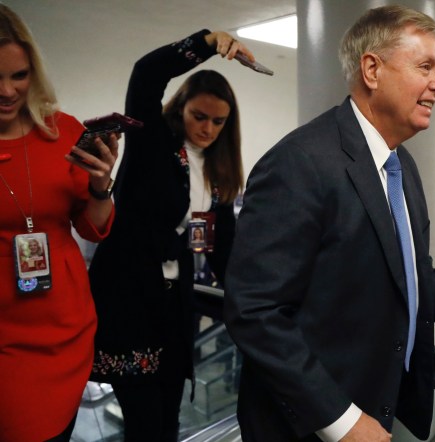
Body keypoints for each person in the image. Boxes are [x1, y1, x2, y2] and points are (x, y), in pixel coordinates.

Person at [223, 5, 435, 442]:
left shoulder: (402, 166)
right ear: (372, 70)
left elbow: (414, 272)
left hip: (381, 407)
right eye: (425, 67)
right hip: (309, 424)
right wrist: (342, 421)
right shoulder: (299, 163)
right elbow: (254, 311)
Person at [88, 29, 249, 441]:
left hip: (173, 313)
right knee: (145, 425)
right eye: (199, 116)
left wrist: (259, 299)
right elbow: (145, 74)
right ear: (181, 109)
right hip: (128, 303)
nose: (208, 128)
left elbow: (215, 248)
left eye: (218, 121)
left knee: (168, 424)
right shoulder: (152, 144)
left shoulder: (216, 175)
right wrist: (209, 42)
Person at [0, 4, 117, 441]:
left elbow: (92, 227)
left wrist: (101, 186)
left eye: (19, 75)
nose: (8, 91)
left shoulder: (61, 130)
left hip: (65, 330)